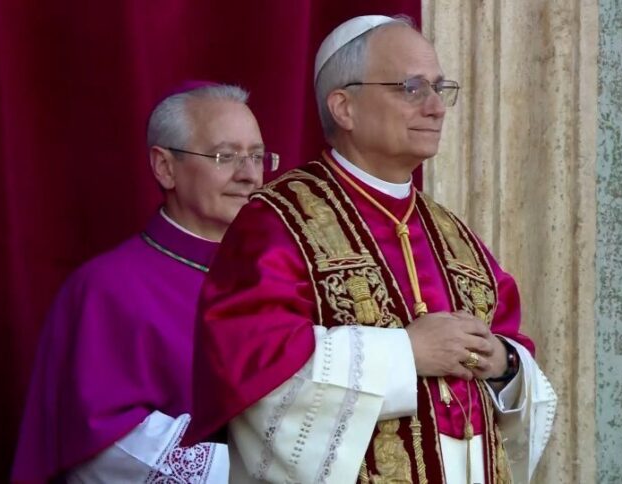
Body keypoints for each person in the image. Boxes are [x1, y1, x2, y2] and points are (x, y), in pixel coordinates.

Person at [186, 15, 557, 484]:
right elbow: (254, 372)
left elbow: (514, 356)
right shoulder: (278, 223)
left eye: (440, 89)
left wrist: (503, 364)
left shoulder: (455, 236)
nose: (436, 107)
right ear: (344, 107)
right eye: (412, 87)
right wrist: (405, 353)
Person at [11, 81, 279, 483]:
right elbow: (104, 444)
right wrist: (263, 471)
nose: (249, 175)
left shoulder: (279, 275)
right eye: (226, 156)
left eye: (257, 157)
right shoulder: (105, 289)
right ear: (165, 167)